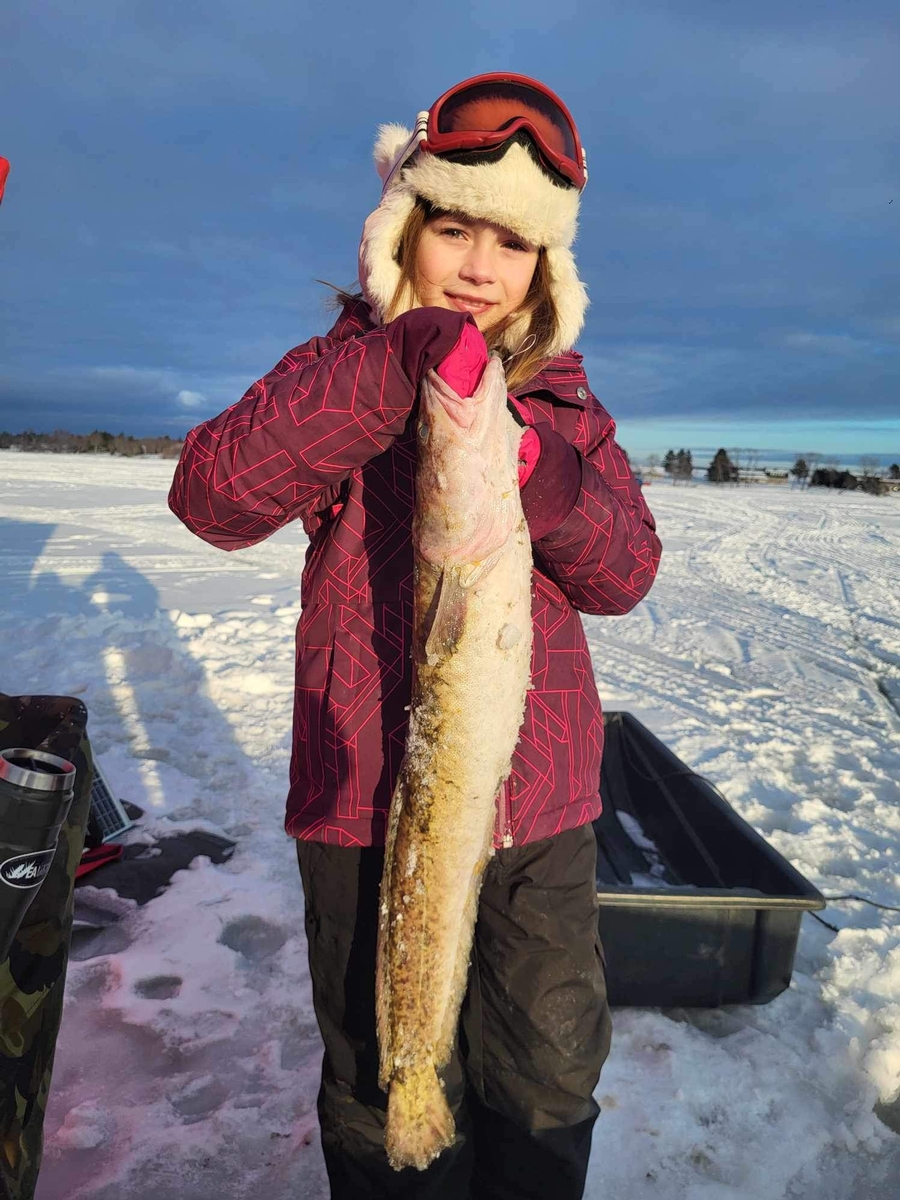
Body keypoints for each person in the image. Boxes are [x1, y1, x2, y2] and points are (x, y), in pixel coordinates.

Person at [169, 72, 661, 1199]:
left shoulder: (568, 406)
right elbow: (214, 497)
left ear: (548, 270)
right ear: (402, 232)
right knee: (379, 1065)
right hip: (361, 802)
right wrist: (385, 370)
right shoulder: (339, 373)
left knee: (543, 1064)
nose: (482, 267)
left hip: (536, 807)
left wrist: (550, 485)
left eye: (514, 245)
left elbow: (627, 570)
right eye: (453, 229)